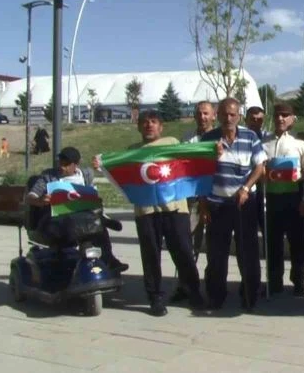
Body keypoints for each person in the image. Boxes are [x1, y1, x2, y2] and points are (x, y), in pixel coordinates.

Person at [97, 111, 203, 316]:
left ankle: (193, 292)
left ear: (161, 127)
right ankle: (155, 298)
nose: (149, 126)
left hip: (174, 209)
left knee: (183, 252)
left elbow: (194, 157)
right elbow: (118, 173)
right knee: (150, 255)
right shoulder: (132, 152)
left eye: (153, 122)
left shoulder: (172, 143)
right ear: (138, 127)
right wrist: (101, 165)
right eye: (145, 123)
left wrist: (211, 152)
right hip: (146, 211)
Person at [199, 98, 267, 311]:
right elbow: (199, 173)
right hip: (216, 203)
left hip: (243, 202)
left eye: (233, 114)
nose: (229, 119)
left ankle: (249, 295)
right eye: (225, 115)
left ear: (239, 115)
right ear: (218, 116)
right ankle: (216, 296)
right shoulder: (209, 138)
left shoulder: (250, 136)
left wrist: (246, 188)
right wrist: (202, 205)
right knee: (216, 254)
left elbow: (260, 166)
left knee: (247, 252)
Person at [28, 147, 127, 272]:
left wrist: (94, 199)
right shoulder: (48, 176)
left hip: (83, 214)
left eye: (66, 164)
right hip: (59, 218)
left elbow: (91, 192)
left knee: (96, 225)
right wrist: (40, 200)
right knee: (86, 224)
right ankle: (103, 221)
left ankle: (109, 259)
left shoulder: (85, 175)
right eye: (61, 163)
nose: (62, 167)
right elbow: (31, 196)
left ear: (76, 164)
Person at [262, 103, 304, 296]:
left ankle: (299, 280)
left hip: (294, 199)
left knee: (297, 242)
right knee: (272, 243)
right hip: (271, 199)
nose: (281, 119)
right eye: (277, 115)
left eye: (285, 115)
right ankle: (274, 281)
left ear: (292, 119)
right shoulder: (264, 144)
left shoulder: (300, 146)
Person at [170, 101, 216, 304]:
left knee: (216, 246)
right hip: (192, 198)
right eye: (199, 113)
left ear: (213, 115)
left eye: (206, 113)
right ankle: (186, 285)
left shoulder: (219, 136)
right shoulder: (188, 138)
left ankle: (215, 284)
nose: (202, 117)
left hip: (215, 196)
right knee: (188, 244)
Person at [245, 106, 269, 235]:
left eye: (259, 120)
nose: (256, 123)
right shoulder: (241, 138)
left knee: (265, 223)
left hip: (264, 187)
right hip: (247, 185)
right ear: (246, 120)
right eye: (252, 119)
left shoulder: (268, 138)